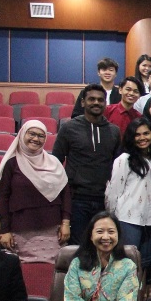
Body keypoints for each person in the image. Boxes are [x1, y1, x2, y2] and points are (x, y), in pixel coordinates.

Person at [0, 120, 70, 263]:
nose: (36, 139)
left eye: (41, 136)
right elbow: (2, 198)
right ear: (22, 134)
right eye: (32, 134)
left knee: (49, 273)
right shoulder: (11, 164)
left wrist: (66, 223)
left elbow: (65, 194)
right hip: (20, 230)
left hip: (52, 231)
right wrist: (4, 231)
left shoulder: (54, 163)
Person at [52, 84, 121, 242]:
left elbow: (117, 167)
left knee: (103, 245)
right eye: (91, 99)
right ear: (83, 102)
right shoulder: (69, 128)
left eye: (100, 100)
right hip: (77, 199)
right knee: (78, 247)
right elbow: (56, 161)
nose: (96, 103)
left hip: (104, 199)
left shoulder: (114, 131)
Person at [105, 119, 151, 280]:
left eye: (146, 133)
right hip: (128, 219)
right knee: (128, 263)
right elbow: (113, 191)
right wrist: (112, 220)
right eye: (137, 135)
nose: (142, 138)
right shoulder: (124, 159)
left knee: (145, 263)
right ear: (131, 137)